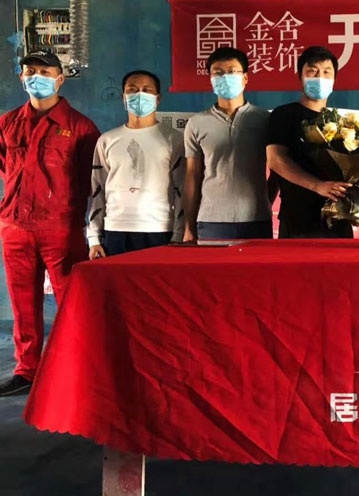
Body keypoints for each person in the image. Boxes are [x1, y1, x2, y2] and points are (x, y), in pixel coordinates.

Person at [0, 50, 100, 397]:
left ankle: (78, 367)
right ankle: (27, 370)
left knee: (72, 302)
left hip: (62, 228)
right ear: (21, 77)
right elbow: (7, 168)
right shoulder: (7, 123)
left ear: (60, 79)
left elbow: (90, 180)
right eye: (30, 71)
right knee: (22, 304)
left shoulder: (81, 127)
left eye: (45, 72)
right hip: (15, 228)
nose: (36, 77)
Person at [87, 70, 184, 257]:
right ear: (123, 98)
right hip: (115, 230)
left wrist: (179, 234)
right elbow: (97, 190)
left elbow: (182, 190)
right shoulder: (107, 140)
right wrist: (94, 238)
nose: (139, 94)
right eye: (132, 90)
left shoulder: (174, 139)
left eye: (146, 90)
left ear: (157, 99)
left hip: (159, 229)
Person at [182, 47, 272, 242]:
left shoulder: (265, 119)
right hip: (211, 221)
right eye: (218, 73)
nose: (225, 77)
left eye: (232, 72)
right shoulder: (196, 123)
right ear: (210, 79)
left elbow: (277, 170)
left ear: (245, 78)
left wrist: (264, 201)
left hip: (257, 219)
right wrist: (188, 226)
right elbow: (192, 176)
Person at [267, 46, 352, 238]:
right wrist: (317, 186)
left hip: (338, 219)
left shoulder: (342, 123)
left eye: (326, 72)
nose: (320, 77)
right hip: (298, 219)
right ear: (300, 76)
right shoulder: (284, 114)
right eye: (312, 71)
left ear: (334, 79)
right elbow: (276, 160)